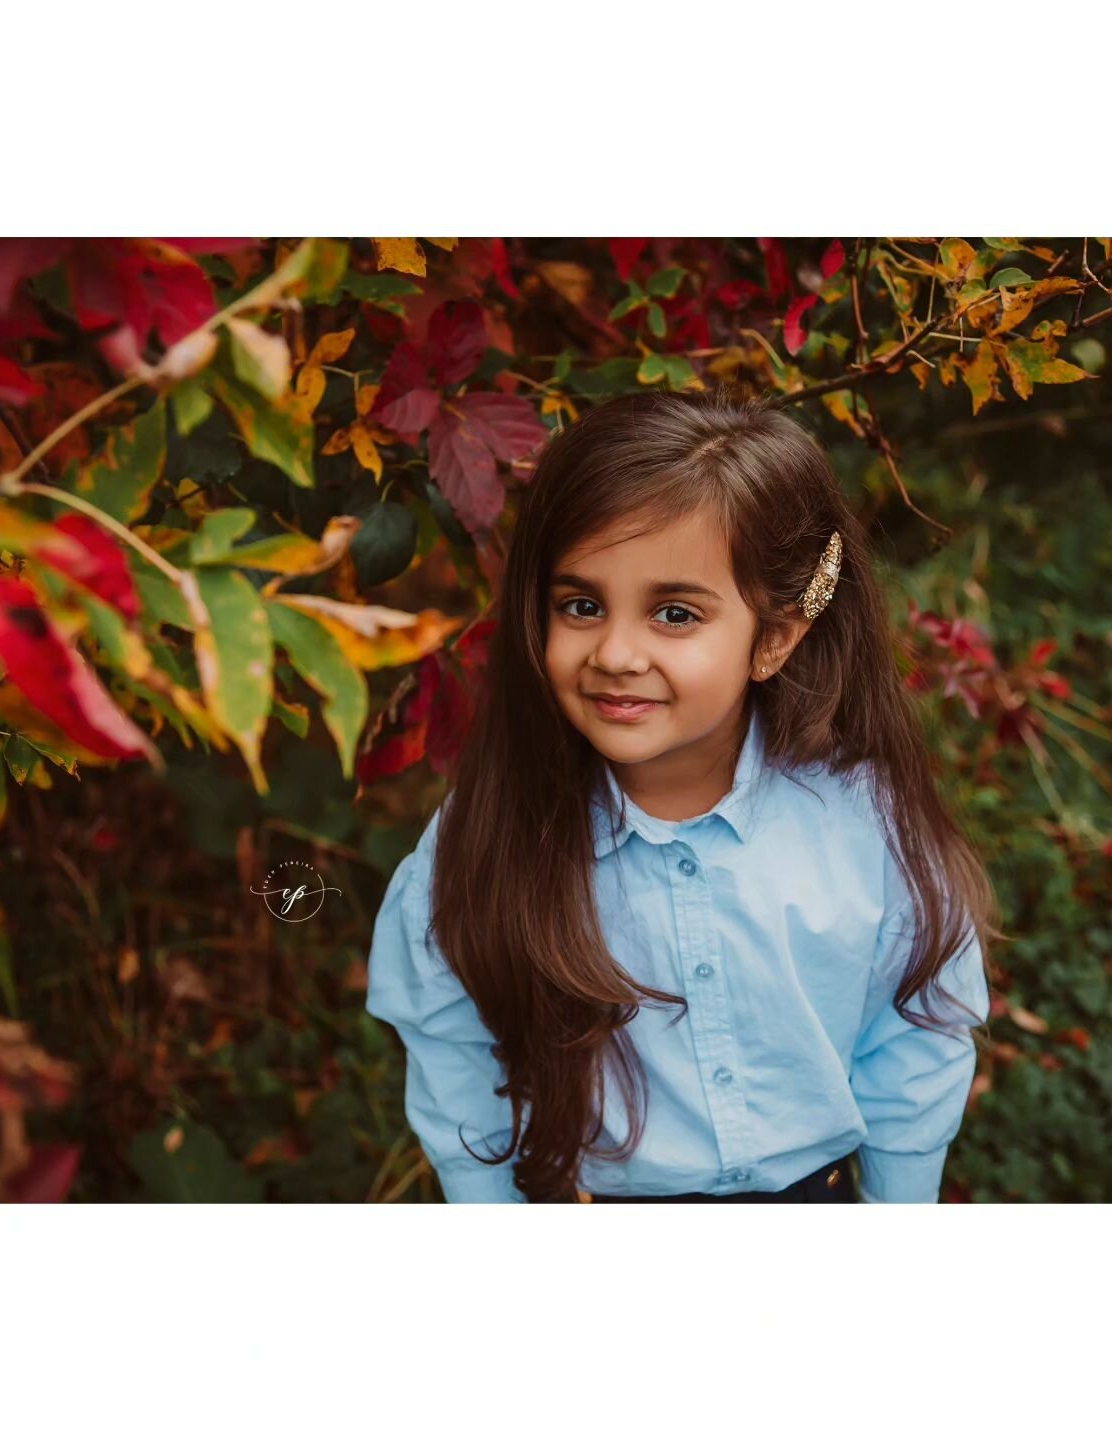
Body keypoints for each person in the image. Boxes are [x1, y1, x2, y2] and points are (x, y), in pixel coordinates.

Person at [365, 386, 1001, 1204]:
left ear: (772, 638)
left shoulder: (860, 820)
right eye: (582, 605)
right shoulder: (487, 836)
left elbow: (916, 1035)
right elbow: (455, 1062)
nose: (618, 653)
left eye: (674, 613)